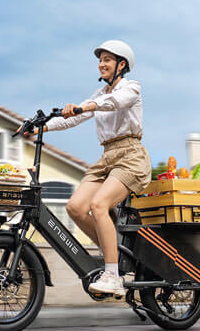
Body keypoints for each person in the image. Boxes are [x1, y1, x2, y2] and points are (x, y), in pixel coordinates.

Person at [21, 40, 151, 296]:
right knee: (76, 207)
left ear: (121, 65)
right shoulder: (99, 94)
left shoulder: (131, 88)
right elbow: (74, 119)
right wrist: (39, 127)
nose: (102, 64)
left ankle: (113, 277)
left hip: (130, 156)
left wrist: (86, 106)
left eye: (107, 60)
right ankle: (110, 250)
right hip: (107, 157)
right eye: (100, 60)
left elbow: (114, 103)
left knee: (99, 204)